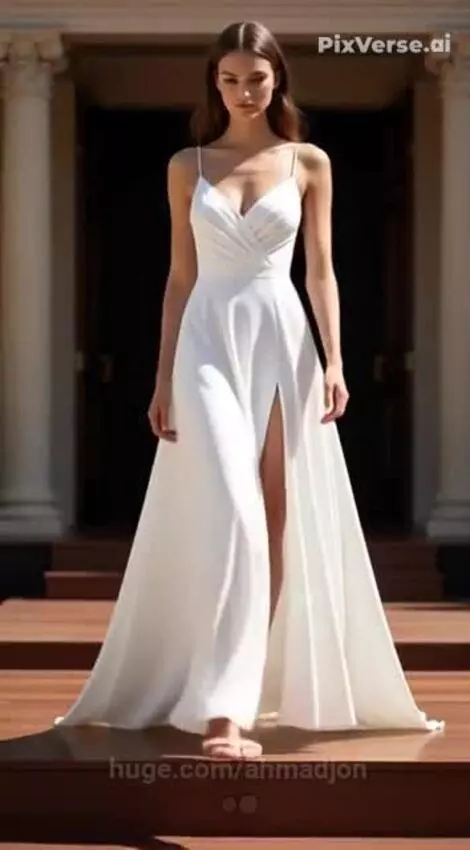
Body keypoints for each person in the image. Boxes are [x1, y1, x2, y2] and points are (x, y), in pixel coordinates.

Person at [54, 20, 443, 758]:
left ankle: (251, 677)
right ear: (214, 83)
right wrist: (163, 374)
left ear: (277, 81)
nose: (241, 92)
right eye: (228, 79)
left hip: (283, 341)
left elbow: (319, 271)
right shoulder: (186, 164)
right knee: (233, 509)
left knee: (273, 518)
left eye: (255, 79)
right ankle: (223, 714)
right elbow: (179, 278)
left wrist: (333, 359)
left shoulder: (308, 162)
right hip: (206, 342)